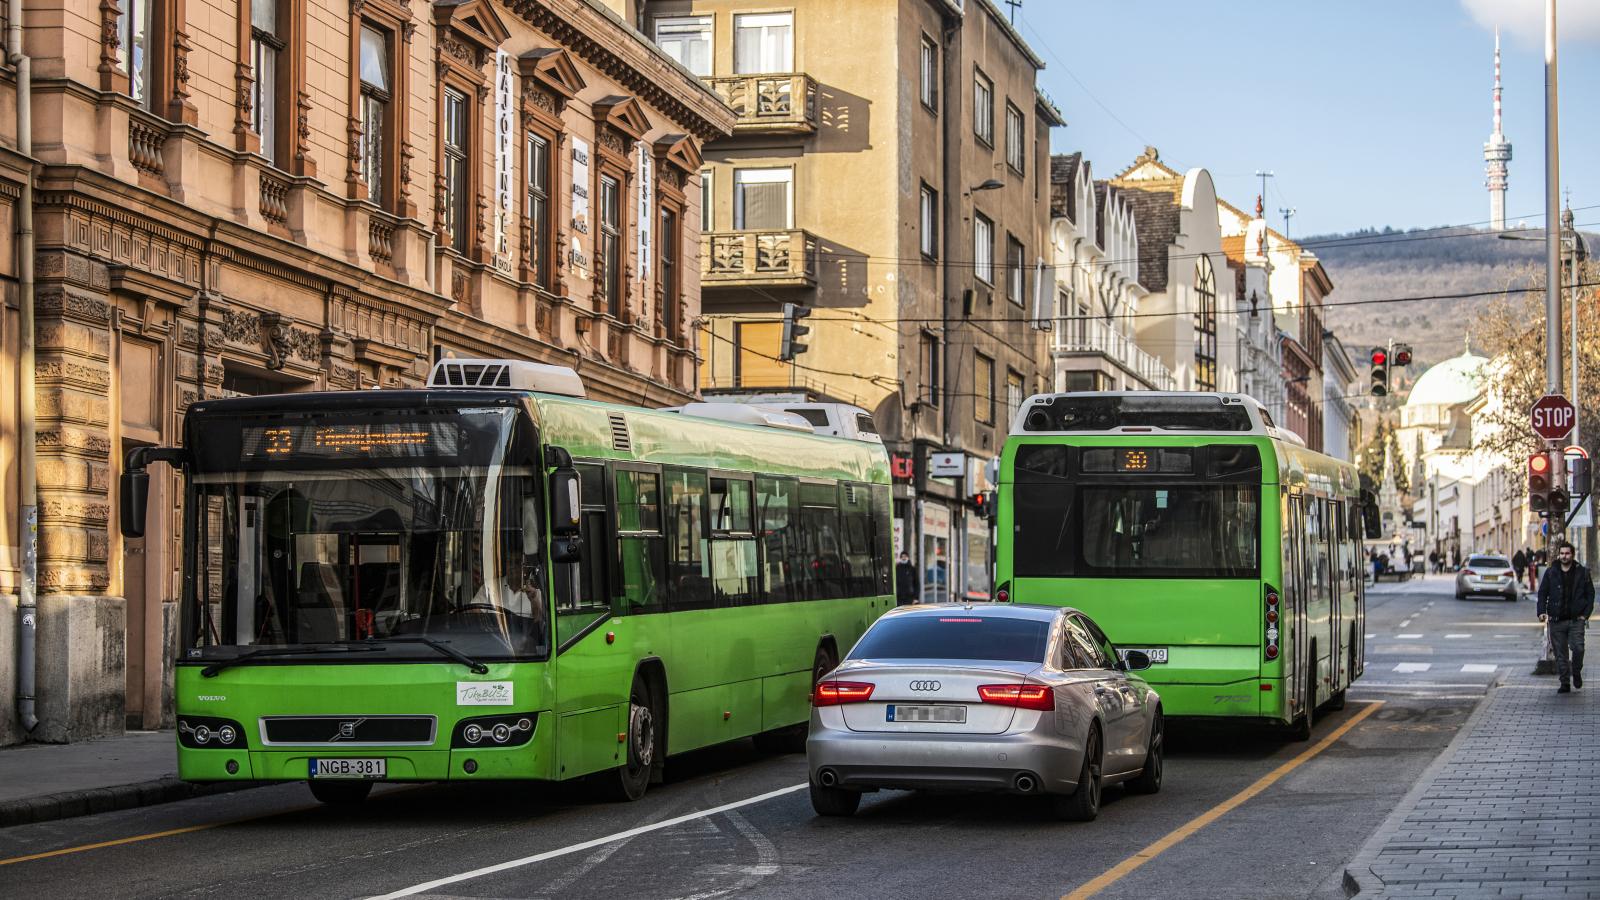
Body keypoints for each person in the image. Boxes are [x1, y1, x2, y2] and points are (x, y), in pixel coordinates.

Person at [1536, 541, 1594, 693]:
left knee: (1578, 648)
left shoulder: (1582, 572)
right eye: (1562, 553)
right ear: (1559, 555)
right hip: (1556, 619)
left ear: (1572, 555)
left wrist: (1585, 615)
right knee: (1560, 654)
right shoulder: (1551, 572)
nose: (1564, 556)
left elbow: (1590, 595)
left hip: (1576, 619)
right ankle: (1565, 683)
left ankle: (1576, 671)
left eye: (1567, 553)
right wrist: (1541, 611)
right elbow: (1542, 593)